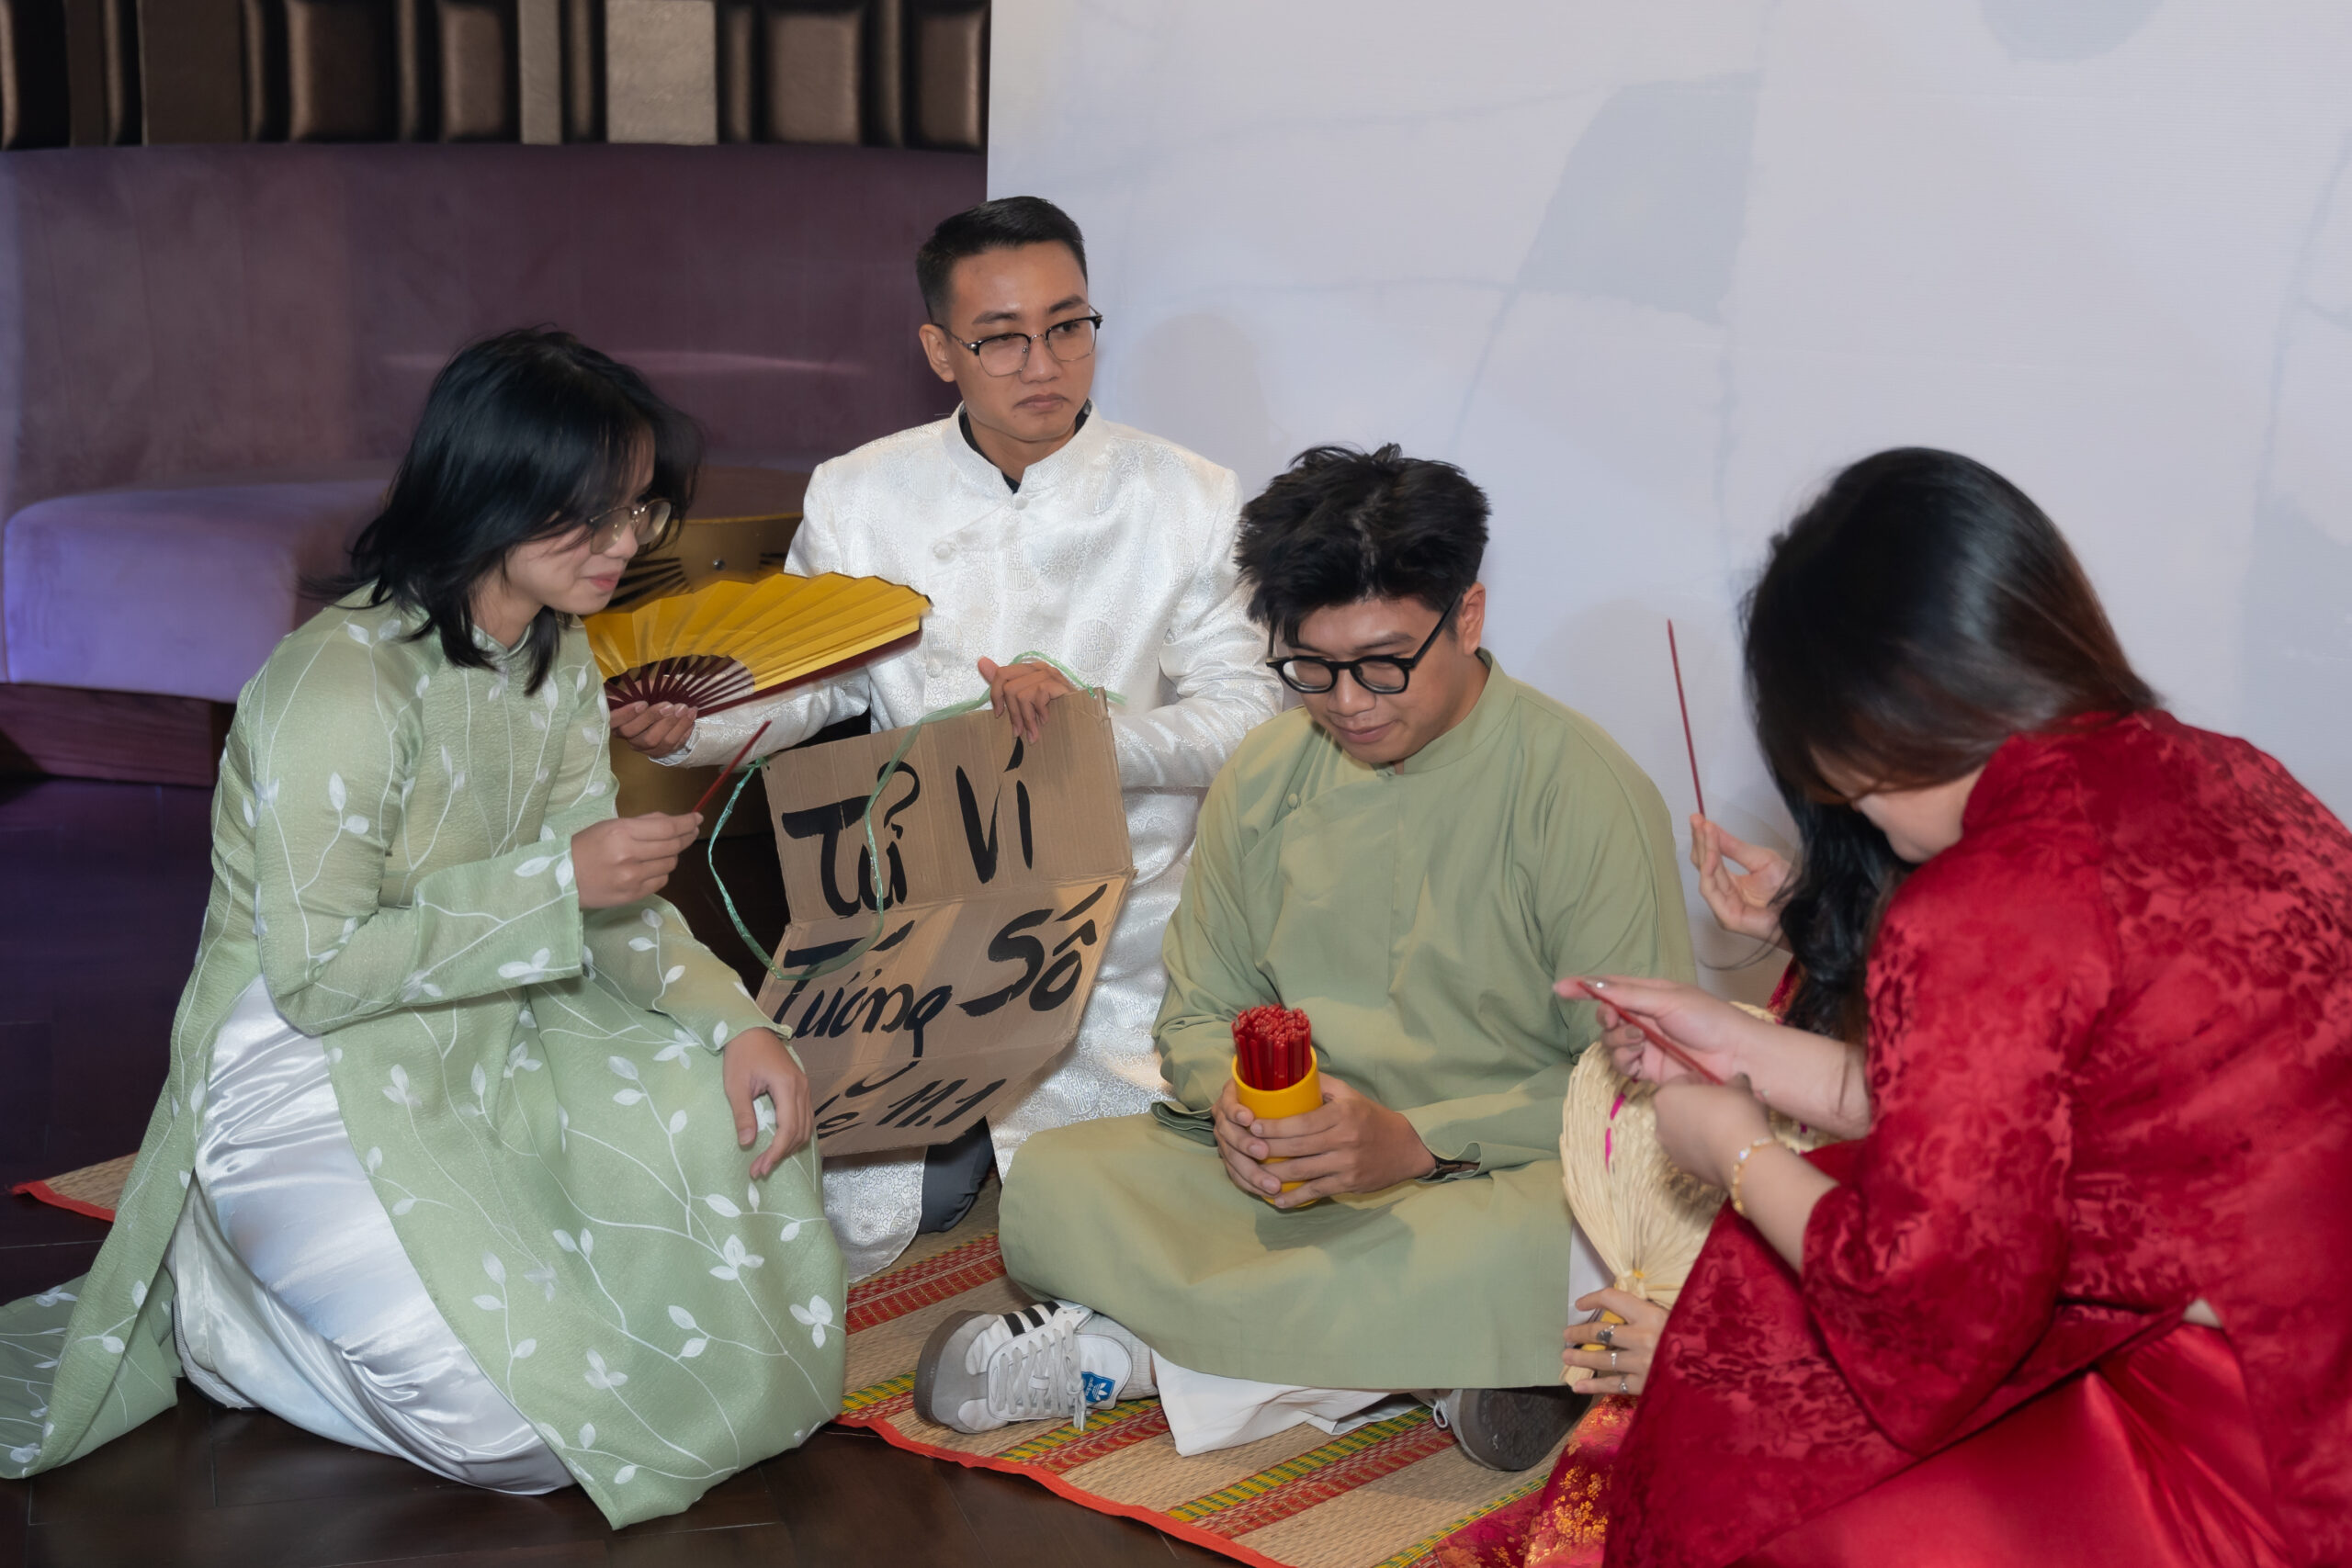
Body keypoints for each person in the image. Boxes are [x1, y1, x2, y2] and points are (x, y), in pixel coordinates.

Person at [0, 330, 846, 1527]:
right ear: (490, 493)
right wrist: (557, 884)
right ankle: (227, 1320)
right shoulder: (338, 685)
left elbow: (608, 905)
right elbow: (318, 974)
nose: (624, 542)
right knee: (519, 1436)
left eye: (637, 508)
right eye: (591, 513)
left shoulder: (554, 661)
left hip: (490, 1015)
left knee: (715, 1119)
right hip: (303, 1062)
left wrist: (740, 1023)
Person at [1481, 448, 2352, 1566]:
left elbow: (1921, 1315)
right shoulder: (2230, 771)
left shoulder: (1989, 895)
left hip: (2244, 1433)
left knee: (1753, 1412)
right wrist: (1734, 1039)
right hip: (2300, 1351)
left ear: (1868, 713)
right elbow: (2004, 1120)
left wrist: (1736, 1153)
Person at [917, 444, 1696, 1470]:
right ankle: (1440, 1363)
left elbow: (1634, 1093)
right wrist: (1246, 1114)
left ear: (1467, 617)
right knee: (1061, 1180)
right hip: (1299, 1168)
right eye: (1311, 670)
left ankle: (1123, 1356)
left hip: (1500, 1173)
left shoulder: (1582, 791)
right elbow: (1198, 1018)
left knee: (1568, 1243)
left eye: (1383, 663)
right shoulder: (1268, 771)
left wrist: (1415, 1143)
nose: (1349, 701)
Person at [616, 196, 1282, 1279]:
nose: (1044, 364)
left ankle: (1001, 1150)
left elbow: (1248, 711)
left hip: (1115, 922)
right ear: (939, 350)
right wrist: (693, 728)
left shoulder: (1190, 496)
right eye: (1001, 338)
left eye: (1068, 327)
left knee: (1128, 1232)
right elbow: (816, 687)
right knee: (808, 1212)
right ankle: (954, 1142)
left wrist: (1091, 738)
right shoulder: (859, 492)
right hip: (912, 922)